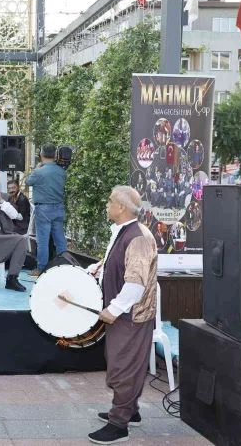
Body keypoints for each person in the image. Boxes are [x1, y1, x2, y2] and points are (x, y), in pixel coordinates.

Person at [86, 185, 157, 444]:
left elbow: (136, 284)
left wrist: (114, 309)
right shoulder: (124, 232)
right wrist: (98, 268)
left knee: (123, 367)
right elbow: (117, 262)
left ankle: (119, 425)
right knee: (120, 362)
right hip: (122, 314)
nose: (107, 205)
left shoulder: (137, 237)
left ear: (121, 207)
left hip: (131, 316)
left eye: (110, 201)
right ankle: (130, 411)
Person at [25, 143, 67, 276]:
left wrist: (37, 168)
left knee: (42, 241)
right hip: (58, 207)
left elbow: (27, 182)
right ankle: (65, 266)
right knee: (60, 239)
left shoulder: (39, 172)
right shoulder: (61, 171)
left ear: (41, 155)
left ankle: (41, 268)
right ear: (55, 155)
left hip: (43, 209)